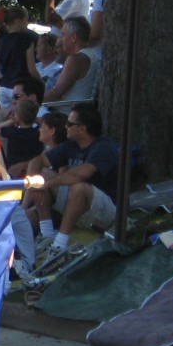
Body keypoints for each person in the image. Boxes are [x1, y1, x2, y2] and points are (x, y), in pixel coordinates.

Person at [25, 102, 118, 260]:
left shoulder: (103, 147)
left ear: (82, 128)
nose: (66, 126)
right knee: (44, 174)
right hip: (79, 206)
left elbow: (79, 175)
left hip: (107, 212)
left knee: (79, 187)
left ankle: (59, 245)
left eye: (70, 123)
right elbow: (37, 161)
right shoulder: (71, 145)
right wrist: (36, 184)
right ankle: (47, 235)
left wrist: (45, 185)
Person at [46, 17, 102, 105]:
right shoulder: (90, 55)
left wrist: (31, 101)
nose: (61, 40)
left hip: (65, 114)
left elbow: (56, 93)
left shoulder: (75, 59)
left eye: (63, 35)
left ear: (73, 38)